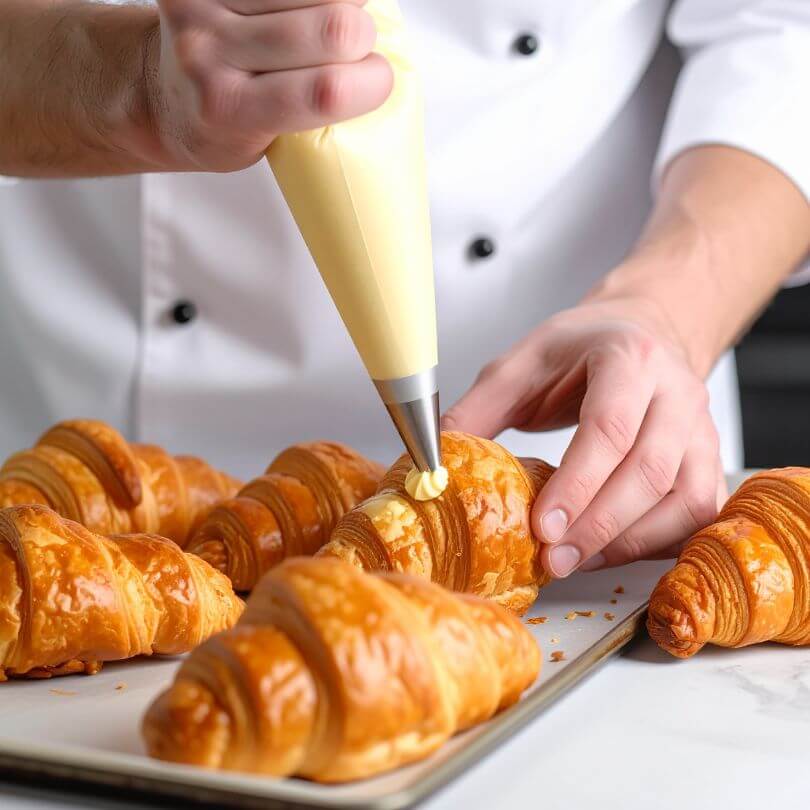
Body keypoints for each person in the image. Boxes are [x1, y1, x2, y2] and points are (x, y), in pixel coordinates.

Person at [1, 0, 808, 578]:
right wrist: (137, 85)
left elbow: (784, 34)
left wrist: (666, 310)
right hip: (91, 536)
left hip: (580, 515)